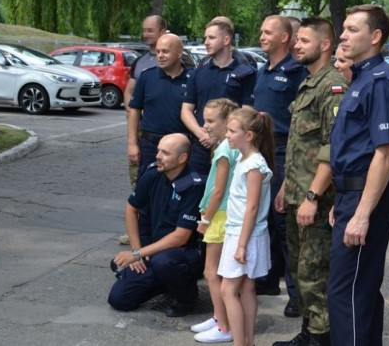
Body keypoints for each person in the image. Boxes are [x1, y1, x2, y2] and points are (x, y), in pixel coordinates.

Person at [327, 4, 389, 346]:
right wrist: (342, 197)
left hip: (365, 200)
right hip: (352, 195)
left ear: (375, 37)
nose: (343, 36)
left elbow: (385, 153)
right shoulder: (361, 79)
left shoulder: (380, 83)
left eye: (352, 30)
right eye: (343, 29)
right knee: (358, 292)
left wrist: (361, 214)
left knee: (347, 296)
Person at [273, 17, 348, 346]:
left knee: (315, 274)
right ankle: (308, 333)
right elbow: (300, 146)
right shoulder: (308, 83)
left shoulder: (333, 87)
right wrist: (284, 189)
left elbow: (332, 148)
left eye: (303, 40)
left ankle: (320, 338)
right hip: (296, 194)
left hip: (315, 201)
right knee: (301, 272)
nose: (296, 45)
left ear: (325, 45)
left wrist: (312, 196)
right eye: (296, 40)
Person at [108, 133, 203, 317]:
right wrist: (137, 251)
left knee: (164, 262)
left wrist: (137, 253)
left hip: (182, 254)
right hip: (151, 251)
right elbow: (131, 208)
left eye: (165, 153)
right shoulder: (153, 173)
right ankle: (164, 282)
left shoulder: (193, 184)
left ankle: (187, 298)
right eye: (158, 150)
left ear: (182, 158)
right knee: (120, 299)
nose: (158, 155)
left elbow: (180, 236)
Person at [253, 15, 307, 317]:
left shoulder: (296, 72)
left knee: (284, 224)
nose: (261, 36)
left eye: (267, 32)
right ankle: (269, 280)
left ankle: (297, 293)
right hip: (262, 152)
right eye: (261, 32)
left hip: (286, 151)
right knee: (266, 221)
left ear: (285, 37)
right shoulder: (262, 71)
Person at [219, 107, 275, 346]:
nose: (227, 135)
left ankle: (240, 343)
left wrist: (241, 245)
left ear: (249, 135)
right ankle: (247, 342)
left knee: (227, 290)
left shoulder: (254, 165)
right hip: (242, 232)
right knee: (246, 288)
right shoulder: (245, 159)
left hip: (243, 235)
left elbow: (252, 207)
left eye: (232, 131)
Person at [181, 16, 257, 177]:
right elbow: (186, 110)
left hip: (231, 149)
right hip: (200, 147)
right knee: (196, 195)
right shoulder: (198, 72)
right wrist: (202, 135)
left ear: (226, 39)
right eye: (205, 38)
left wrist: (222, 137)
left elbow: (247, 113)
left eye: (212, 38)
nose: (206, 42)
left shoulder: (245, 73)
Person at [190, 99, 240, 343]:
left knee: (212, 272)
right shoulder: (230, 147)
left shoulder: (223, 150)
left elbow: (218, 190)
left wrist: (206, 218)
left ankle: (224, 325)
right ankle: (219, 316)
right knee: (216, 271)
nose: (205, 126)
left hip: (219, 214)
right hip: (223, 213)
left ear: (226, 122)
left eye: (211, 121)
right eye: (204, 120)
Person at [119, 15, 168, 245]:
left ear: (163, 31)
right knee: (140, 181)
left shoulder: (182, 60)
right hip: (143, 131)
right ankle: (137, 231)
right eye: (144, 30)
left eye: (151, 30)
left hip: (169, 135)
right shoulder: (141, 62)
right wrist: (133, 112)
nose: (146, 34)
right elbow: (129, 91)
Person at [127, 33, 192, 180]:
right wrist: (132, 144)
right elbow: (134, 110)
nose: (160, 55)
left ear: (179, 53)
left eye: (165, 51)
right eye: (158, 51)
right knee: (146, 190)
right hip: (150, 146)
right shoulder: (146, 77)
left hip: (180, 147)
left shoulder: (193, 78)